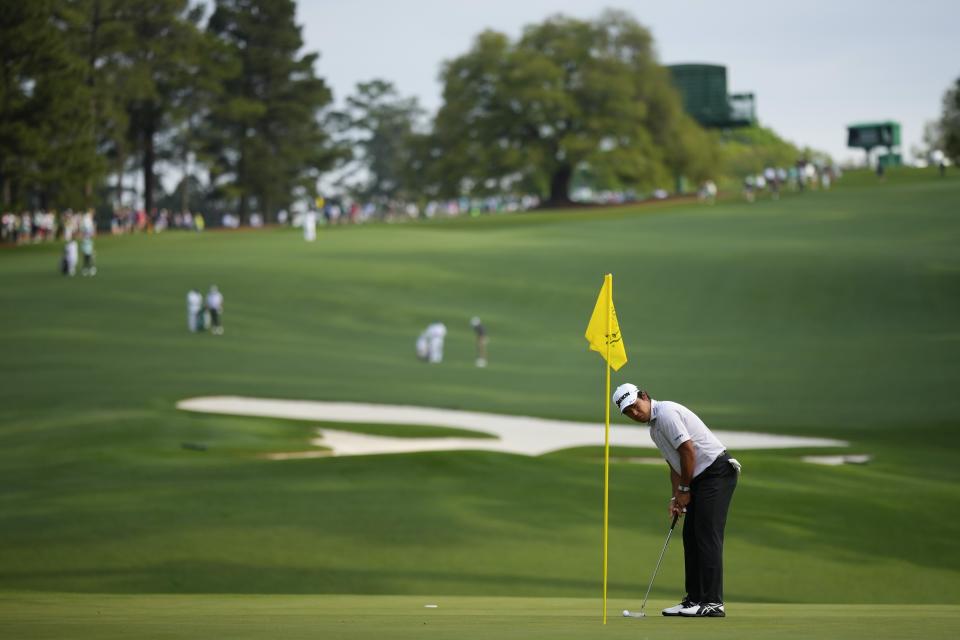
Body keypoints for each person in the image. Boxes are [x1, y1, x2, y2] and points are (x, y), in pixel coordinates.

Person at [613, 383, 740, 618]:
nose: (634, 413)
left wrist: (684, 489)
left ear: (645, 396)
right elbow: (675, 463)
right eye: (628, 413)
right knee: (691, 537)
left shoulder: (667, 414)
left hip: (717, 472)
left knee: (706, 536)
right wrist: (676, 497)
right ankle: (694, 600)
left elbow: (688, 451)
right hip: (700, 477)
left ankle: (712, 603)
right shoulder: (654, 429)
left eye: (634, 406)